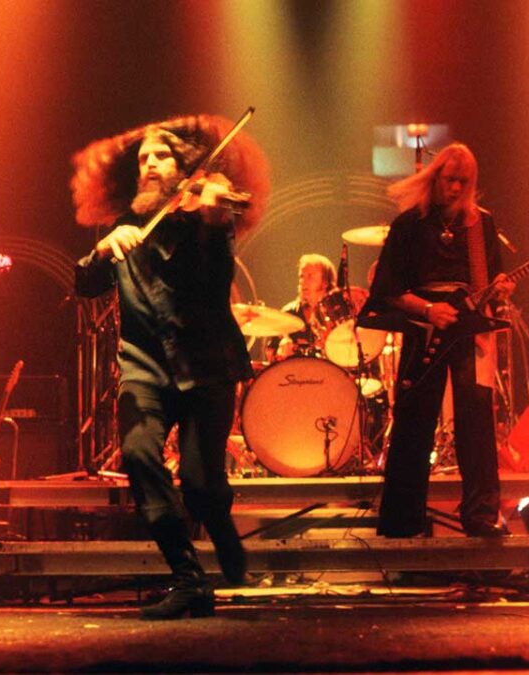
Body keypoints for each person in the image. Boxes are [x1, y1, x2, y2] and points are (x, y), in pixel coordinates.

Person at [71, 114, 270, 619]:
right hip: (143, 368)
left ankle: (221, 529)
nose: (150, 164)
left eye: (161, 156)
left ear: (184, 168)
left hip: (207, 366)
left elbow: (215, 274)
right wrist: (102, 251)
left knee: (202, 486)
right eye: (143, 159)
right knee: (139, 455)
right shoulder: (124, 228)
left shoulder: (209, 219)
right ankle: (187, 578)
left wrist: (212, 216)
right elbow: (86, 285)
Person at [361, 143, 514, 538]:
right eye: (450, 180)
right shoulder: (409, 225)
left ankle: (481, 515)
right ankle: (402, 521)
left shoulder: (481, 224)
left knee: (477, 423)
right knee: (414, 421)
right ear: (435, 179)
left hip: (470, 328)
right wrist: (429, 310)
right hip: (424, 328)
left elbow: (491, 281)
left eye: (464, 181)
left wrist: (500, 288)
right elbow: (387, 290)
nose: (456, 188)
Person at [266, 253, 336, 361]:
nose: (303, 281)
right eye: (301, 276)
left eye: (310, 276)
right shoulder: (289, 313)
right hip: (294, 371)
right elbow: (270, 353)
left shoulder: (336, 315)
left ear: (325, 282)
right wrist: (280, 353)